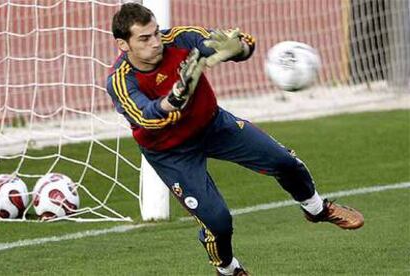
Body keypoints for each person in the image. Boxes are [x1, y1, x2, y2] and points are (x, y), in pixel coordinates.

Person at [107, 3, 364, 276]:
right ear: (123, 44)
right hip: (170, 152)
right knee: (218, 222)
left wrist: (238, 48)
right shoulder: (120, 80)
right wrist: (175, 98)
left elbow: (240, 45)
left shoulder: (181, 38)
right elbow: (147, 116)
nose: (156, 42)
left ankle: (317, 209)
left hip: (213, 125)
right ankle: (228, 269)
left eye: (156, 32)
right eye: (145, 38)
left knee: (283, 161)